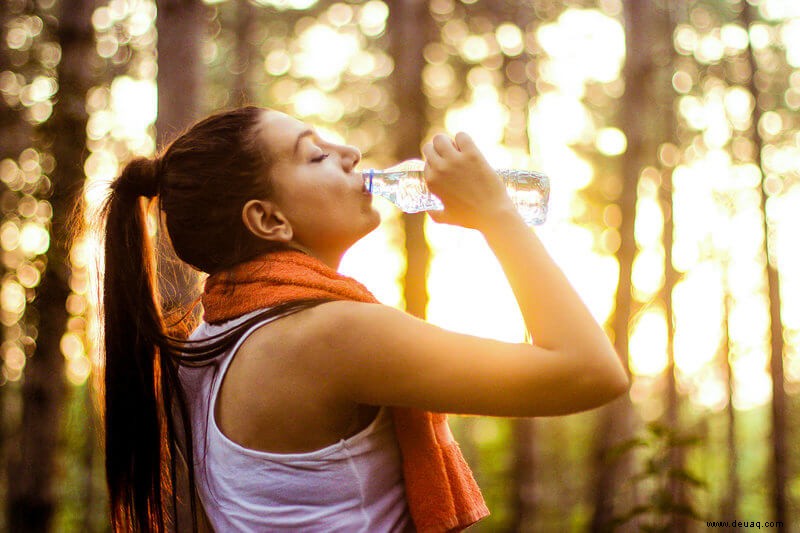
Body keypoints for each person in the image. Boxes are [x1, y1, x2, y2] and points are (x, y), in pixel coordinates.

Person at [95, 105, 629, 532]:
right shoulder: (331, 335)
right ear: (268, 219)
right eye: (316, 157)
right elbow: (591, 372)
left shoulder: (211, 341)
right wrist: (497, 213)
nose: (350, 152)